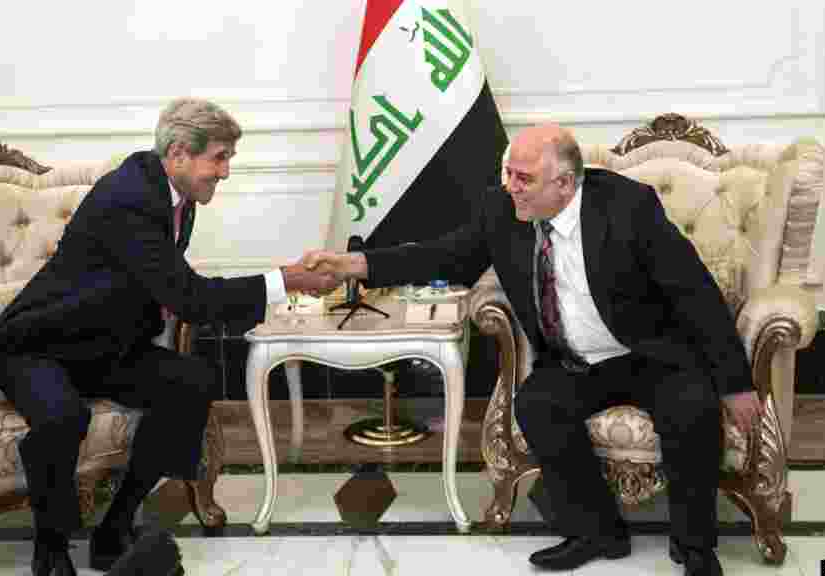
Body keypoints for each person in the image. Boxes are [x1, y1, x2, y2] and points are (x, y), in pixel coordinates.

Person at [301, 123, 760, 576]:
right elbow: (442, 255)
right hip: (577, 360)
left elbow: (694, 292)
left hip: (650, 352)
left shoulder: (627, 206)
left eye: (524, 178)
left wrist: (736, 383)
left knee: (693, 409)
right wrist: (352, 265)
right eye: (509, 174)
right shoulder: (502, 210)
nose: (511, 188)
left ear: (564, 183)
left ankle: (695, 546)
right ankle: (597, 532)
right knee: (539, 404)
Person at [0, 98, 337, 576]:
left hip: (99, 345)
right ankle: (51, 547)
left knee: (191, 379)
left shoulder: (176, 196)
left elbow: (170, 287)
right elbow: (192, 299)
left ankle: (115, 526)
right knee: (63, 417)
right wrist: (286, 280)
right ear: (181, 152)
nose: (225, 172)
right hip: (36, 346)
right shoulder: (129, 197)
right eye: (221, 157)